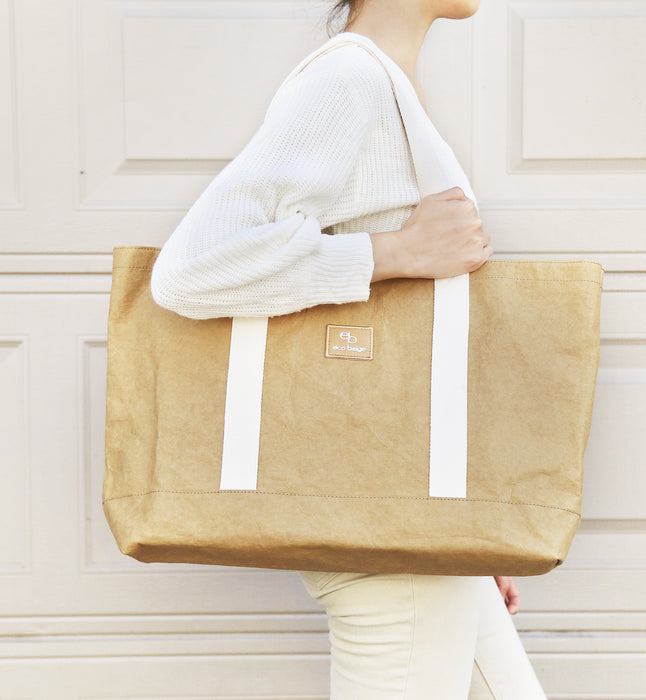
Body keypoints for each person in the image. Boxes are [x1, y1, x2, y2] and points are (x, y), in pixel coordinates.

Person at [151, 0, 548, 697]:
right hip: (387, 534)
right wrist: (392, 253)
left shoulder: (388, 85)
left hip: (422, 523)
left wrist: (470, 519)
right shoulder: (347, 81)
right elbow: (191, 268)